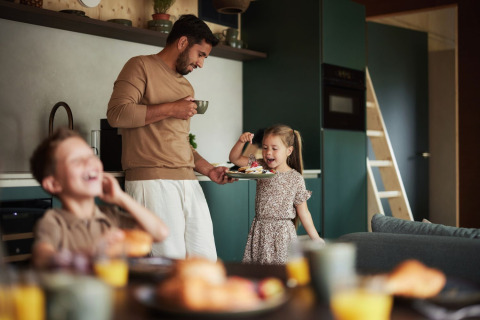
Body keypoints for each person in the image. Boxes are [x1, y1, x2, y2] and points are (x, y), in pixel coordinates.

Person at [107, 14, 234, 261]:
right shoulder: (140, 65)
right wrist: (171, 108)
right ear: (183, 42)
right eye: (201, 54)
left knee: (205, 262)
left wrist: (209, 170)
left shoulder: (186, 88)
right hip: (152, 181)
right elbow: (116, 114)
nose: (201, 64)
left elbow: (179, 140)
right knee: (165, 267)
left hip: (188, 180)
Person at [30, 128, 169, 268]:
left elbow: (160, 233)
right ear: (54, 184)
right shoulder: (53, 222)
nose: (89, 162)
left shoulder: (110, 216)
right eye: (76, 160)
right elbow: (42, 258)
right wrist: (91, 254)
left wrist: (121, 197)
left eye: (91, 156)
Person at [229, 124, 324, 265]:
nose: (268, 153)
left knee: (282, 273)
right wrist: (241, 141)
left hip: (283, 235)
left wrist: (316, 238)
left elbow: (304, 212)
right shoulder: (260, 168)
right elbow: (235, 158)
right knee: (259, 273)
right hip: (260, 231)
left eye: (274, 148)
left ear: (289, 151)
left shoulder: (295, 178)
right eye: (265, 147)